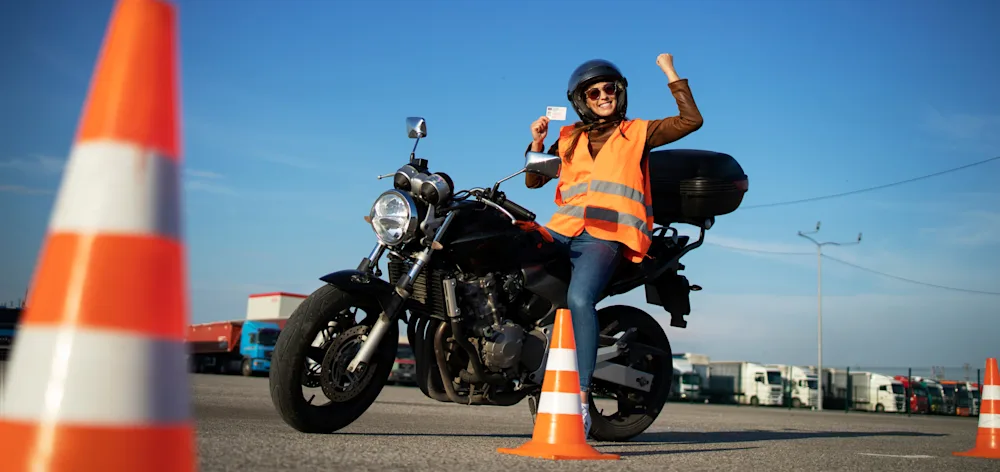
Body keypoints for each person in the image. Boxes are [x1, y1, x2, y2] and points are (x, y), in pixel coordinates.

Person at [524, 54, 704, 437]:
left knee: (579, 299)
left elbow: (691, 121)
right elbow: (534, 182)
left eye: (610, 89)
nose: (603, 95)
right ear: (582, 100)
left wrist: (669, 72)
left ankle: (582, 399)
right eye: (594, 92)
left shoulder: (638, 132)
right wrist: (537, 141)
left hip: (607, 235)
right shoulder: (569, 137)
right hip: (563, 229)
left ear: (620, 93)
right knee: (512, 255)